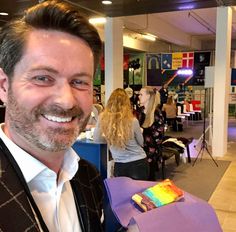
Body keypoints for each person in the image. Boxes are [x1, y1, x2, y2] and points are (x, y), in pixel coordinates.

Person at [0, 1, 104, 231]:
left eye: (79, 82)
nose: (66, 101)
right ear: (4, 86)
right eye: (43, 78)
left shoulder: (89, 179)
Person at [93, 88, 149, 180]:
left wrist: (112, 138)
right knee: (138, 193)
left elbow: (97, 139)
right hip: (138, 162)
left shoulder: (102, 118)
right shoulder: (133, 121)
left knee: (121, 193)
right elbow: (141, 143)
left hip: (119, 165)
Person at [137, 86, 165, 181]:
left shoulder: (156, 113)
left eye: (141, 94)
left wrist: (143, 131)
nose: (139, 96)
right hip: (140, 149)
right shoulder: (140, 111)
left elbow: (159, 136)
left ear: (148, 96)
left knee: (149, 178)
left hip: (151, 152)